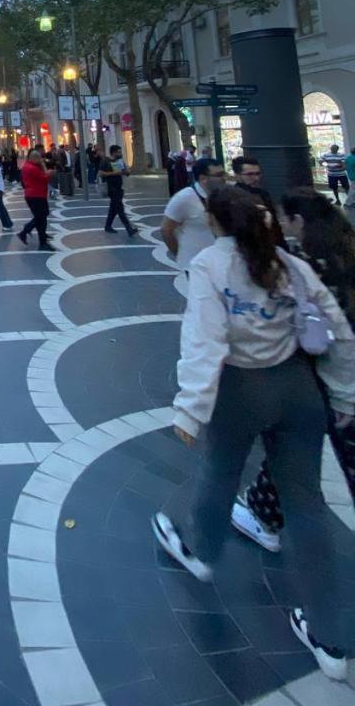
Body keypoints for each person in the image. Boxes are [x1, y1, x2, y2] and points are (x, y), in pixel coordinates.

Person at [152, 186, 355, 682]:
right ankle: (330, 640)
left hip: (239, 390)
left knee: (220, 474)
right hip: (298, 392)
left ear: (216, 223)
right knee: (306, 507)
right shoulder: (290, 264)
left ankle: (202, 553)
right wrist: (346, 394)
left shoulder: (211, 267)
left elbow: (204, 340)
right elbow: (337, 331)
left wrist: (190, 409)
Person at [233, 188, 355, 556]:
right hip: (331, 375)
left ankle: (262, 512)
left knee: (300, 445)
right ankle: (261, 508)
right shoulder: (346, 249)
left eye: (286, 219)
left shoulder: (304, 264)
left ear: (298, 220)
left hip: (326, 374)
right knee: (293, 445)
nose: (283, 226)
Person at [161, 156, 225, 267]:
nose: (224, 178)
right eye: (219, 175)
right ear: (203, 178)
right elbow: (166, 230)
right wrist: (180, 255)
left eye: (224, 174)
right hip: (194, 264)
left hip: (219, 262)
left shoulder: (223, 195)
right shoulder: (183, 198)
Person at [231, 155, 286, 246]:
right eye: (250, 174)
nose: (256, 178)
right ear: (237, 175)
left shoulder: (263, 194)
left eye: (257, 174)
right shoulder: (233, 197)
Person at [99, 145, 139, 236]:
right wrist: (114, 173)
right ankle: (129, 229)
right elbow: (101, 173)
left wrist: (126, 170)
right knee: (120, 209)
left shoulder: (120, 161)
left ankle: (108, 226)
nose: (120, 154)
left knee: (113, 208)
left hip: (119, 187)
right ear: (113, 152)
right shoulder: (105, 161)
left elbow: (127, 173)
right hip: (111, 188)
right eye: (119, 152)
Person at [17, 149, 53, 250]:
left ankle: (41, 238)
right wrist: (47, 170)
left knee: (42, 217)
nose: (41, 160)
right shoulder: (32, 168)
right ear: (34, 158)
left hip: (35, 195)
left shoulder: (28, 166)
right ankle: (26, 232)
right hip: (36, 195)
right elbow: (45, 178)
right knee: (40, 217)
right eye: (39, 158)